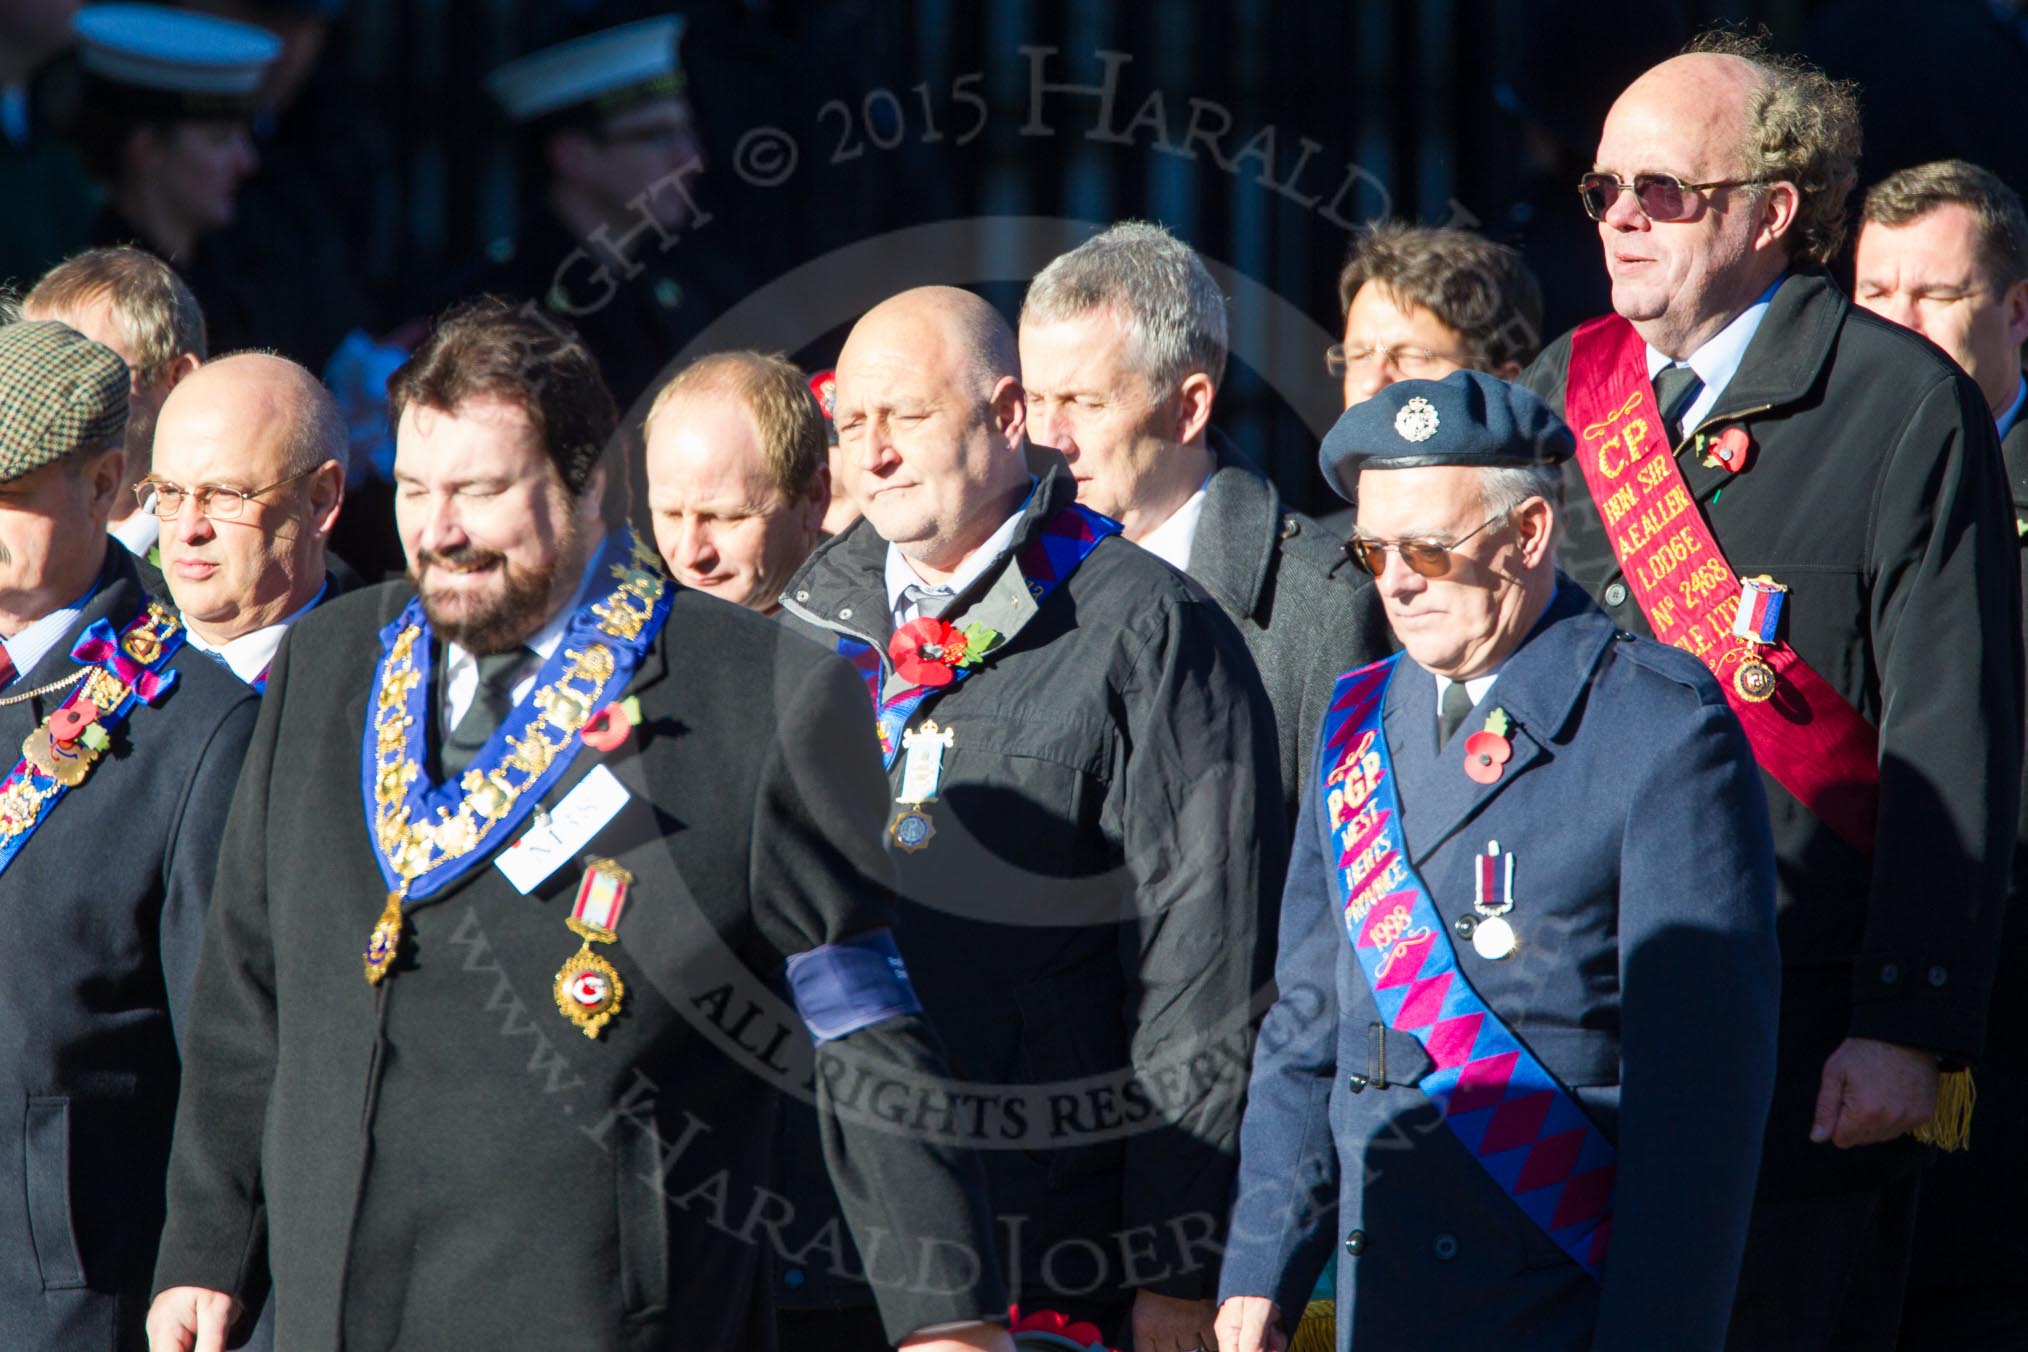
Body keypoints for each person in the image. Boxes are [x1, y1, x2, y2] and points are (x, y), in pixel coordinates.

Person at [144, 298, 1016, 1352]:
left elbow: (859, 1019)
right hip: (338, 1305)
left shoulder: (757, 691)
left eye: (480, 490)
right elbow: (248, 983)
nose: (440, 528)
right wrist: (204, 1245)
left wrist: (944, 1317)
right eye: (418, 489)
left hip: (601, 1307)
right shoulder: (328, 662)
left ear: (586, 485)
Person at [1517, 34, 2023, 1351]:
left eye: (1662, 191)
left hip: (1794, 1041)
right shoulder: (1555, 395)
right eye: (1605, 190)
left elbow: (1948, 736)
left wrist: (1907, 1024)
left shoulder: (1899, 403)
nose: (1621, 217)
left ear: (1773, 211)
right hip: (1559, 1024)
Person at [1215, 371, 1780, 1352]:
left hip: (1547, 1295)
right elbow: (1306, 1028)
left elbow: (1698, 1108)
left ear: (1527, 533)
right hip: (1373, 1287)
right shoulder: (1355, 723)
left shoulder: (1656, 726)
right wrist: (1260, 1263)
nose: (1394, 579)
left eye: (1430, 546)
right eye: (1373, 548)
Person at [777, 286, 1285, 1352]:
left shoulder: (1147, 626)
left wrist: (1176, 1264)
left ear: (1009, 416)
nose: (869, 454)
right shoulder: (809, 623)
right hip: (821, 1245)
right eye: (849, 423)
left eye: (903, 417)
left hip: (1046, 1251)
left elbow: (1205, 961)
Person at [0, 319, 258, 1351]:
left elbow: (229, 1044)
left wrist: (206, 1260)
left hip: (63, 1292)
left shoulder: (190, 721)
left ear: (106, 484)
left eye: (8, 486)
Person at [1019, 220, 1391, 818]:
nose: (1047, 439)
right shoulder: (1007, 571)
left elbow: (1338, 870)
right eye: (1035, 401)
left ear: (1187, 407)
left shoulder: (1320, 609)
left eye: (1084, 403)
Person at [1851, 159, 2028, 1350]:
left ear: (2016, 312)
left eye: (1936, 298)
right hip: (1843, 1003)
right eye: (1875, 295)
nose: (1899, 329)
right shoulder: (1836, 477)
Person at [476, 15, 734, 413]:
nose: (690, 159)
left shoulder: (681, 282)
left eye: (686, 132)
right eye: (656, 136)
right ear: (573, 156)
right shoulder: (508, 305)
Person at [67, 4, 291, 358]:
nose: (246, 162)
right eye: (219, 139)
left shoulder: (233, 271)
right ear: (147, 150)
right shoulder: (100, 302)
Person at [1316, 221, 1544, 534]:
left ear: (1502, 382)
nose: (1371, 383)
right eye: (1359, 356)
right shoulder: (1315, 564)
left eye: (1412, 357)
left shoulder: (1574, 557)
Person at [144, 352, 351, 691]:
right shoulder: (98, 654)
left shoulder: (373, 691)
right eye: (169, 491)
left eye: (224, 494)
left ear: (320, 499)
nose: (187, 529)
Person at [23, 245, 207, 567]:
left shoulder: (213, 560)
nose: (46, 400)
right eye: (32, 376)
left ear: (178, 382)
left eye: (83, 370)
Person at [641, 350, 827, 614]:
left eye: (723, 517)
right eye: (670, 514)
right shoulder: (626, 644)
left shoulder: (883, 640)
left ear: (813, 498)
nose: (689, 555)